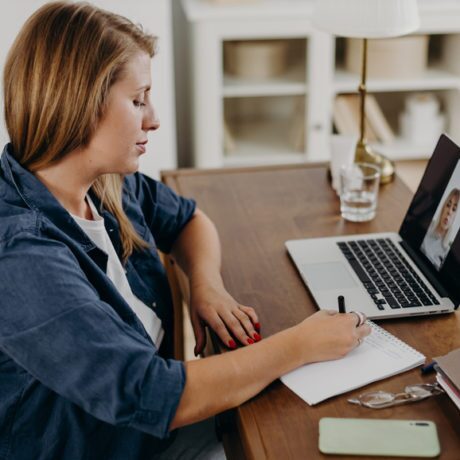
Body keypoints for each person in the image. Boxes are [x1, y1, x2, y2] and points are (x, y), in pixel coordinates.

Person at [0, 2, 371, 459]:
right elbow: (147, 391)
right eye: (137, 100)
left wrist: (206, 286)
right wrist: (298, 345)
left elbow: (189, 220)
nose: (153, 118)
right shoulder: (22, 256)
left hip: (155, 431)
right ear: (79, 104)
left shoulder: (105, 182)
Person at [421, 187, 460, 270]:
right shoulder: (426, 224)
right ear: (443, 207)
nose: (449, 211)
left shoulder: (447, 252)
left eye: (454, 209)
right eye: (448, 205)